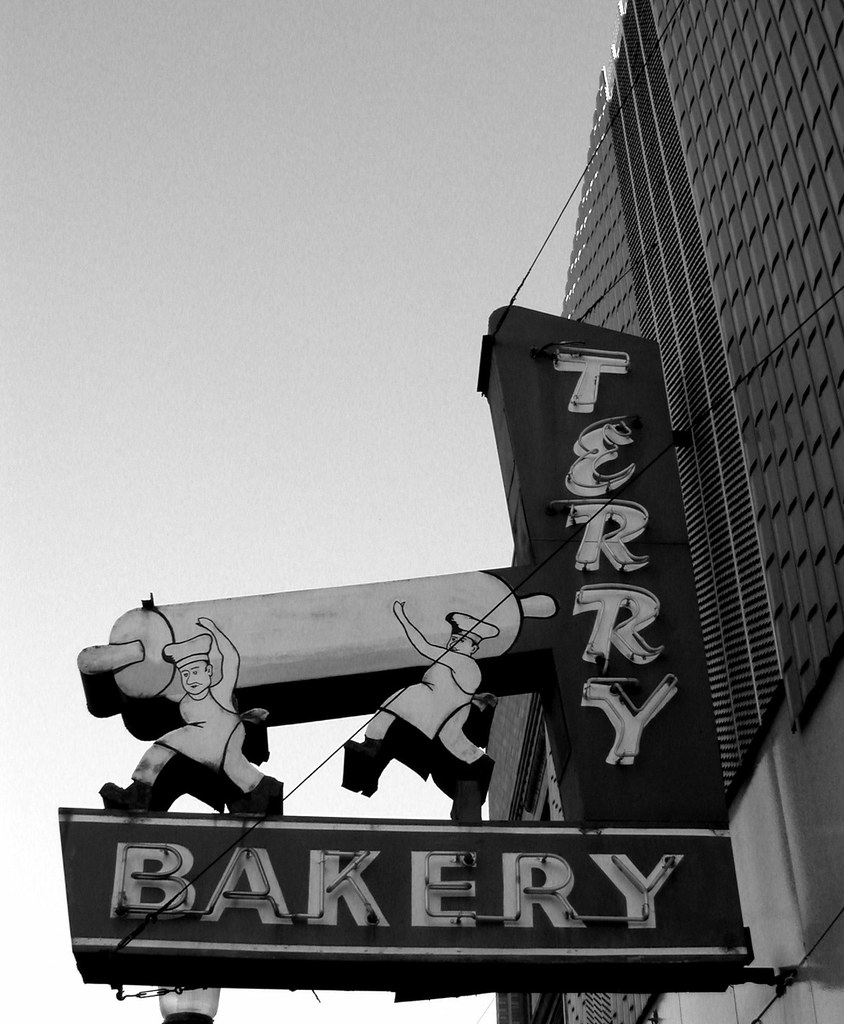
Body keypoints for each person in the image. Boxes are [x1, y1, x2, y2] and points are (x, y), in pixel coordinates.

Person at [100, 617, 282, 813]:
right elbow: (160, 684)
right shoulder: (185, 697)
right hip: (204, 742)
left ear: (209, 670)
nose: (190, 679)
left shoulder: (220, 691)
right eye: (185, 674)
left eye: (195, 672)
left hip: (222, 734)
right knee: (228, 766)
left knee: (164, 749)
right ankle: (261, 790)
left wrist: (215, 630)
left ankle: (137, 796)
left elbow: (231, 660)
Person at [343, 602, 500, 810]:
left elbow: (423, 647)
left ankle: (370, 760)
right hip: (423, 716)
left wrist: (402, 618)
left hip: (429, 718)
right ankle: (370, 762)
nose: (454, 643)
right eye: (453, 639)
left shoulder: (467, 665)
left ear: (473, 648)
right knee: (387, 731)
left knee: (459, 761)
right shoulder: (453, 663)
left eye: (461, 640)